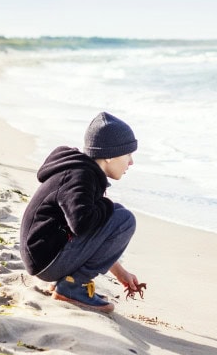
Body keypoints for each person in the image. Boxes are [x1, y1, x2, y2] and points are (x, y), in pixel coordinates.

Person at [19, 112, 141, 313]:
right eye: (128, 154)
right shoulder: (80, 176)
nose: (131, 162)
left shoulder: (83, 172)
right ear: (110, 155)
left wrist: (120, 272)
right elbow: (82, 223)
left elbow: (89, 230)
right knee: (124, 219)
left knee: (116, 214)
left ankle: (67, 282)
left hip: (45, 255)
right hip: (45, 259)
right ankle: (72, 286)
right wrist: (106, 205)